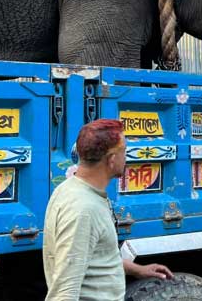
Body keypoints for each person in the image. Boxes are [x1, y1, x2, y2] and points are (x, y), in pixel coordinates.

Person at [43, 119, 173, 300]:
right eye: (124, 150)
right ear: (112, 160)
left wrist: (137, 270)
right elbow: (65, 293)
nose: (126, 156)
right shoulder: (83, 209)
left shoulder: (70, 189)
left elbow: (90, 258)